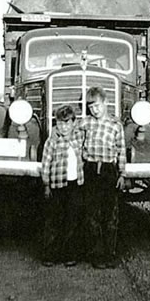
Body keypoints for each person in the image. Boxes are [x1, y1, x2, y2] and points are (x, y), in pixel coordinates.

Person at [80, 86, 126, 269]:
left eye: (97, 106)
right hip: (91, 170)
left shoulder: (116, 125)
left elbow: (121, 150)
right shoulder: (85, 123)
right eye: (91, 107)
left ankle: (110, 253)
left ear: (105, 103)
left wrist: (122, 174)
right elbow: (75, 141)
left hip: (109, 171)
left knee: (111, 213)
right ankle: (96, 253)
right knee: (92, 213)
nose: (95, 110)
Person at [41, 105, 84, 267]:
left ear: (73, 123)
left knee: (72, 219)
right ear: (56, 124)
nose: (63, 127)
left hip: (74, 185)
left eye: (67, 123)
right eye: (60, 123)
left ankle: (69, 254)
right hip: (57, 185)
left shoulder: (78, 138)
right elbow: (46, 163)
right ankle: (50, 254)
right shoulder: (52, 141)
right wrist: (46, 184)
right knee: (54, 219)